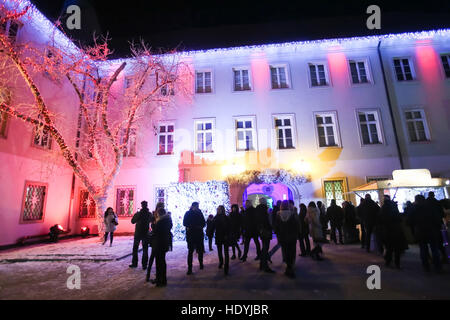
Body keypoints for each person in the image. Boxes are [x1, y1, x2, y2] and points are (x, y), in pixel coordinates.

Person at [409, 194, 443, 272]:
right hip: (431, 230)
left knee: (423, 249)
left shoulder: (414, 209)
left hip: (420, 231)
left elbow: (409, 221)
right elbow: (436, 218)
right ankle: (438, 266)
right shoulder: (430, 207)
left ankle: (426, 266)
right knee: (434, 249)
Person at [273, 200, 300, 278]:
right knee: (292, 251)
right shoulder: (292, 214)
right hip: (292, 237)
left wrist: (278, 235)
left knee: (285, 251)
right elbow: (297, 225)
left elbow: (276, 227)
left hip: (283, 237)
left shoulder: (278, 215)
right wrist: (297, 233)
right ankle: (290, 267)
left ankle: (288, 266)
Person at [379, 195, 407, 268]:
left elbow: (381, 219)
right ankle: (397, 263)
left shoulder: (383, 208)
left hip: (387, 230)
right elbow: (399, 218)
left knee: (389, 247)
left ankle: (388, 261)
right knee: (396, 248)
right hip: (396, 230)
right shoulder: (394, 207)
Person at [150, 208, 173, 287]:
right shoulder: (167, 220)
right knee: (162, 262)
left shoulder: (161, 221)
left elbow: (156, 231)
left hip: (159, 243)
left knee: (159, 262)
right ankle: (163, 280)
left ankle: (160, 281)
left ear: (159, 213)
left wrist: (153, 224)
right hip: (164, 243)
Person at [183, 202, 206, 275]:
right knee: (190, 251)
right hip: (191, 234)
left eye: (198, 206)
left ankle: (201, 263)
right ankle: (190, 268)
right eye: (196, 206)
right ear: (192, 206)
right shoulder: (188, 213)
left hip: (198, 234)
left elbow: (203, 223)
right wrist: (194, 226)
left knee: (200, 250)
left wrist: (199, 226)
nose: (197, 208)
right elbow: (184, 223)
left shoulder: (200, 213)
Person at [130, 201, 152, 269]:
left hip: (138, 233)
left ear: (142, 206)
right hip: (145, 233)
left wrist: (137, 214)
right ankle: (144, 265)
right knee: (145, 249)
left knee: (135, 249)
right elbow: (152, 220)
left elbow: (132, 221)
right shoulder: (149, 214)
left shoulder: (139, 213)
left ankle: (134, 263)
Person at [427, 192, 448, 264]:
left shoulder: (425, 204)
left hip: (429, 225)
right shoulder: (437, 203)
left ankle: (435, 258)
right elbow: (442, 214)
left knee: (432, 242)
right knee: (440, 241)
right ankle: (444, 256)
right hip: (437, 224)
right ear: (434, 195)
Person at [256, 198, 275, 273]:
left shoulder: (257, 209)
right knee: (265, 248)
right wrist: (271, 227)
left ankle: (261, 264)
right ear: (264, 202)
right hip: (266, 230)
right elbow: (268, 221)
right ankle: (265, 266)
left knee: (264, 247)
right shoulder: (266, 209)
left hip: (261, 230)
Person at [211, 205, 231, 275]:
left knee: (226, 252)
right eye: (217, 209)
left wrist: (227, 235)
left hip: (225, 237)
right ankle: (221, 262)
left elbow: (228, 227)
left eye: (219, 209)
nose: (218, 210)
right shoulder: (215, 218)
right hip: (218, 236)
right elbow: (213, 227)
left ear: (222, 210)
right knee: (219, 251)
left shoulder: (226, 218)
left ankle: (226, 266)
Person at [146, 203, 163, 282]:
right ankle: (148, 274)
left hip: (160, 239)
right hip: (155, 239)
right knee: (153, 257)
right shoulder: (154, 215)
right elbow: (151, 224)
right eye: (159, 207)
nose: (160, 208)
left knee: (159, 259)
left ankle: (159, 275)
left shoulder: (163, 215)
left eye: (161, 207)